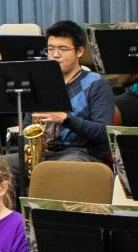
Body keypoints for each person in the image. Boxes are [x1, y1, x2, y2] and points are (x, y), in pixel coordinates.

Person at [19, 20, 115, 185]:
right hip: (45, 152)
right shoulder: (40, 83)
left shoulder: (97, 84)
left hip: (82, 153)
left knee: (56, 171)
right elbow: (28, 125)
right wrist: (30, 150)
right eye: (50, 49)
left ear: (79, 51)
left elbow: (103, 132)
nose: (55, 55)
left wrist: (66, 119)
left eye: (63, 49)